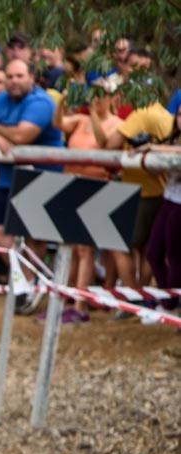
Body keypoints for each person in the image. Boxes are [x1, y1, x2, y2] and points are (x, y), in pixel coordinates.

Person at [0, 59, 63, 307]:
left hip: (40, 176)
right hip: (8, 178)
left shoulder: (42, 102)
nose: (13, 81)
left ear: (32, 77)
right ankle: (25, 280)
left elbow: (23, 136)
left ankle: (29, 287)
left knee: (35, 237)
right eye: (9, 76)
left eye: (19, 76)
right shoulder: (0, 99)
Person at [46, 75, 123, 322]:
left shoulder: (117, 124)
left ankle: (80, 305)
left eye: (102, 96)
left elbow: (104, 144)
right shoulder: (79, 120)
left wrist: (93, 113)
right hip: (70, 183)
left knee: (86, 249)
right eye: (94, 95)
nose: (97, 100)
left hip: (96, 188)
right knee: (70, 245)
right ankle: (66, 298)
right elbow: (58, 123)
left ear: (111, 98)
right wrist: (65, 100)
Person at [102, 80, 175, 307]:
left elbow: (110, 146)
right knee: (148, 251)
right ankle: (146, 296)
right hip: (161, 192)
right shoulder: (167, 115)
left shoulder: (140, 115)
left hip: (140, 193)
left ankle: (133, 297)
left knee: (118, 244)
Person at [143, 109, 181, 305]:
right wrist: (148, 159)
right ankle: (168, 299)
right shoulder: (172, 141)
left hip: (179, 204)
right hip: (169, 199)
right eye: (180, 114)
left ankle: (170, 301)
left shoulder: (170, 146)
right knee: (153, 252)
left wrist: (153, 148)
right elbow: (156, 173)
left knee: (175, 256)